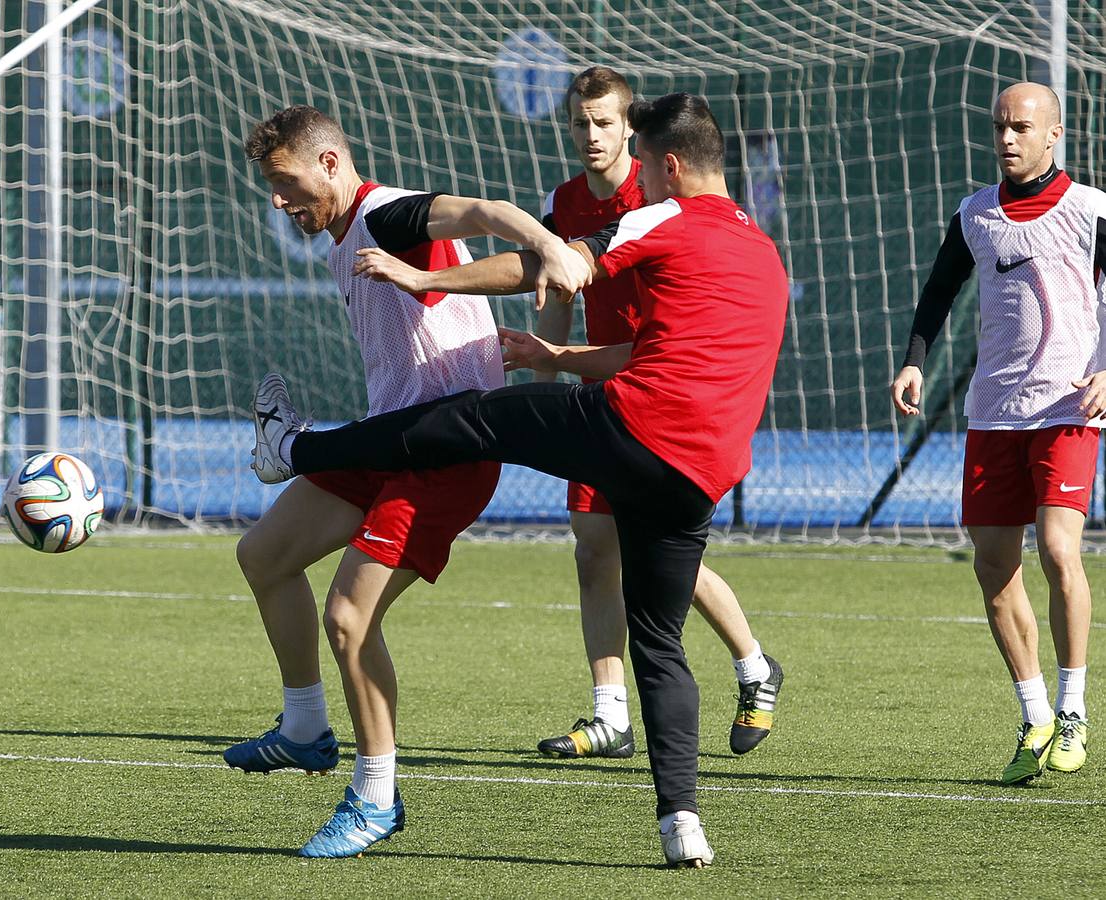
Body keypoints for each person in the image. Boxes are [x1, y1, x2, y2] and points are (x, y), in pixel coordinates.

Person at [249, 93, 789, 868]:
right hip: (701, 473)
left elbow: (544, 262)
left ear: (669, 166)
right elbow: (652, 350)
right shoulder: (763, 251)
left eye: (638, 155)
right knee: (659, 642)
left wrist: (419, 274)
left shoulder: (659, 217)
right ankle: (683, 824)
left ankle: (295, 451)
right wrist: (557, 358)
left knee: (475, 419)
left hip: (631, 429)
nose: (628, 167)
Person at [228, 105, 589, 859]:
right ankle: (303, 728)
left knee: (350, 620)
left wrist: (552, 245)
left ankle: (375, 797)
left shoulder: (386, 216)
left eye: (285, 181)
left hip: (446, 453)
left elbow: (486, 211)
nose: (276, 199)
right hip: (394, 437)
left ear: (329, 164)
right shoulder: (345, 237)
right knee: (263, 555)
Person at [533, 66, 782, 761]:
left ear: (634, 134)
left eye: (606, 123)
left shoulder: (667, 194)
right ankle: (610, 714)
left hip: (659, 395)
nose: (593, 135)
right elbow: (552, 281)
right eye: (581, 122)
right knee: (593, 545)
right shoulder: (565, 203)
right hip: (602, 389)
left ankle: (754, 666)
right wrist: (545, 341)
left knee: (655, 549)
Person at [891, 82, 1104, 784]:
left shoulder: (1091, 210)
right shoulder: (975, 213)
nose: (1007, 139)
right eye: (999, 128)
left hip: (1069, 408)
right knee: (991, 566)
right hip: (994, 413)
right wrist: (914, 363)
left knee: (1057, 548)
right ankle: (1035, 713)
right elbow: (939, 289)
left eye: (1021, 128)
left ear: (1055, 134)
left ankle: (1075, 712)